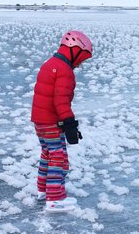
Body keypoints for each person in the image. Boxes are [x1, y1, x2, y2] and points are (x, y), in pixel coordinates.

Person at [30, 30, 92, 212]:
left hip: (40, 121)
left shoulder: (50, 63)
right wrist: (69, 123)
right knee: (58, 157)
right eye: (82, 58)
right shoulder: (64, 70)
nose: (80, 64)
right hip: (51, 121)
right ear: (75, 50)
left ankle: (43, 191)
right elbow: (61, 100)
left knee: (47, 154)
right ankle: (55, 198)